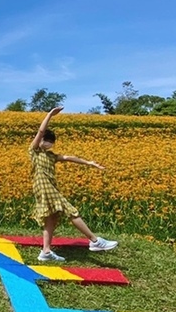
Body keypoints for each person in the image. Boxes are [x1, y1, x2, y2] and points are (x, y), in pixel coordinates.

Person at [30, 107, 118, 262]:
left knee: (52, 218)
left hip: (49, 188)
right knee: (70, 211)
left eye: (51, 141)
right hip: (44, 187)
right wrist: (50, 115)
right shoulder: (35, 151)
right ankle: (95, 241)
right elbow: (40, 131)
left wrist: (89, 163)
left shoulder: (51, 156)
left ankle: (46, 252)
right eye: (47, 140)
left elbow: (69, 157)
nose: (48, 143)